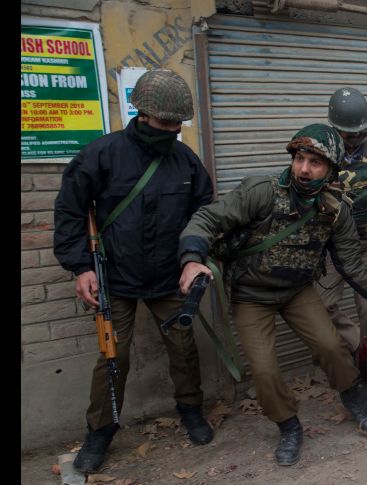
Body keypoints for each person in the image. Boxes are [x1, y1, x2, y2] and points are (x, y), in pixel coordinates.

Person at [177, 123, 367, 467]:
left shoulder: (335, 209)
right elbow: (207, 218)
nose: (304, 169)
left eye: (315, 162)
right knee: (264, 372)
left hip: (297, 292)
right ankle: (288, 425)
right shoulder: (262, 191)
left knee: (331, 346)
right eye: (300, 159)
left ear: (331, 170)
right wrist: (191, 259)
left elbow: (352, 264)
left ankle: (353, 397)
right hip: (251, 296)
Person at [53, 69, 215, 473]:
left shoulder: (185, 160)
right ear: (142, 114)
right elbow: (70, 213)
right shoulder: (100, 155)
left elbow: (205, 211)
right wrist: (81, 267)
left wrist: (194, 256)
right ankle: (100, 432)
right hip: (115, 277)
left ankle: (190, 409)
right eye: (164, 123)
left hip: (168, 276)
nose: (172, 131)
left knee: (183, 346)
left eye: (178, 125)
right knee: (113, 356)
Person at [314, 87, 367, 351]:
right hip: (332, 247)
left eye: (359, 132)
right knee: (320, 307)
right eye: (347, 134)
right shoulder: (318, 149)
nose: (354, 138)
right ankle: (355, 348)